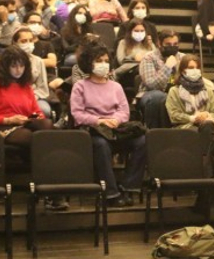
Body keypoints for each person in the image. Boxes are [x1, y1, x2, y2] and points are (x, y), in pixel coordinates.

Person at [71, 42, 146, 207]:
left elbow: (124, 111)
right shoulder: (80, 86)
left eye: (106, 61)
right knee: (101, 144)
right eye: (99, 61)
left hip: (116, 128)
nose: (103, 64)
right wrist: (99, 121)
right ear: (89, 63)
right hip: (94, 130)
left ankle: (128, 187)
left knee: (142, 141)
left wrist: (115, 120)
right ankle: (111, 193)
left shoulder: (116, 86)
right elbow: (77, 114)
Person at [0, 46, 53, 148]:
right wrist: (8, 120)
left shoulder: (25, 85)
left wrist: (38, 116)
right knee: (28, 136)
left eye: (22, 66)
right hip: (2, 125)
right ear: (5, 67)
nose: (18, 70)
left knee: (47, 124)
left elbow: (37, 111)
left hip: (24, 122)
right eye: (14, 66)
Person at [166, 54, 214, 146]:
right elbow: (174, 115)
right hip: (185, 127)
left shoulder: (208, 90)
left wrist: (206, 115)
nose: (195, 70)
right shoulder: (174, 91)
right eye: (191, 68)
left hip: (207, 125)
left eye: (197, 68)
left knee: (208, 126)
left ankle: (207, 154)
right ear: (182, 70)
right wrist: (193, 119)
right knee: (194, 132)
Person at [138, 29, 184, 129]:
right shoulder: (149, 58)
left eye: (175, 44)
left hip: (176, 93)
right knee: (159, 97)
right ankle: (156, 133)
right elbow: (151, 84)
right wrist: (167, 67)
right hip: (151, 94)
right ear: (159, 43)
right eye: (168, 44)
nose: (172, 47)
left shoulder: (183, 58)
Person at [13, 27, 52, 118]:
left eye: (31, 40)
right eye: (24, 41)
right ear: (15, 43)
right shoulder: (6, 60)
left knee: (45, 110)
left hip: (33, 96)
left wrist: (32, 97)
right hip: (12, 96)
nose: (28, 44)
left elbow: (42, 87)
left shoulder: (38, 61)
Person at [115, 18, 157, 82]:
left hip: (149, 71)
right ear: (130, 31)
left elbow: (157, 59)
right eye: (136, 31)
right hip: (129, 73)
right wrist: (134, 57)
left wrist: (143, 59)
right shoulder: (123, 43)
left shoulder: (149, 43)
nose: (139, 33)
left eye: (142, 31)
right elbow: (121, 61)